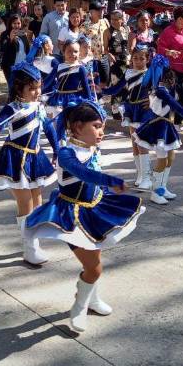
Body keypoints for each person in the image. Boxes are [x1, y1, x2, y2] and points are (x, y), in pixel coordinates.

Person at [23, 101, 144, 333]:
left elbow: (92, 177)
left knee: (95, 259)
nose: (101, 133)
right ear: (78, 127)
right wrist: (112, 181)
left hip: (94, 208)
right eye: (97, 126)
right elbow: (83, 173)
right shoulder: (67, 153)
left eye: (103, 128)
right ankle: (79, 305)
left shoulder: (90, 147)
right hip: (72, 216)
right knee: (94, 267)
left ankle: (92, 298)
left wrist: (109, 189)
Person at [0, 62, 59, 263]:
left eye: (38, 87)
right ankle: (29, 248)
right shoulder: (11, 108)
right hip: (16, 159)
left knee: (37, 202)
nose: (37, 92)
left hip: (35, 158)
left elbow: (49, 129)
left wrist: (57, 151)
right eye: (32, 88)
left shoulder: (38, 106)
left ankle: (34, 242)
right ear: (19, 89)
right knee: (25, 203)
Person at [133, 55, 183, 205]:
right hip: (158, 126)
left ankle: (162, 188)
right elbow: (175, 105)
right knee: (162, 160)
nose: (171, 75)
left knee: (171, 157)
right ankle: (156, 193)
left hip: (165, 124)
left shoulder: (164, 86)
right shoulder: (160, 89)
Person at [102, 46, 153, 188]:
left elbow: (156, 91)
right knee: (135, 143)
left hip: (144, 110)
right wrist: (103, 90)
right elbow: (116, 88)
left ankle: (148, 177)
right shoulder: (129, 73)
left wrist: (151, 102)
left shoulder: (150, 73)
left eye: (141, 58)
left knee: (142, 142)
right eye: (135, 58)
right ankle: (140, 174)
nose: (138, 61)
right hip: (131, 109)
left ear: (147, 59)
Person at [45, 39, 97, 117]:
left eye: (75, 51)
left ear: (79, 53)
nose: (72, 54)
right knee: (58, 122)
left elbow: (86, 88)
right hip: (59, 99)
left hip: (75, 99)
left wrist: (90, 104)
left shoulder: (81, 68)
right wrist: (39, 90)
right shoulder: (59, 67)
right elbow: (47, 81)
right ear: (63, 52)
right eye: (69, 51)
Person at [0, 15, 31, 83]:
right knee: (13, 89)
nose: (16, 25)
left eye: (18, 23)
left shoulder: (22, 34)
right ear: (10, 23)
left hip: (23, 66)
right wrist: (10, 39)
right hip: (10, 66)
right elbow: (2, 49)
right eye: (14, 23)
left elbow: (27, 50)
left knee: (23, 88)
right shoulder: (5, 34)